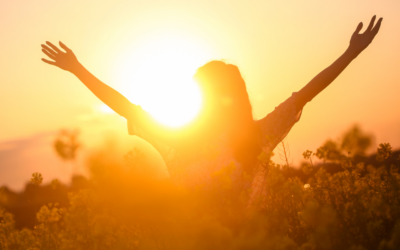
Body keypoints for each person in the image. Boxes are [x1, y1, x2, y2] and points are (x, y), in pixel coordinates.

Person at [41, 16, 382, 205]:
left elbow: (307, 93)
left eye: (209, 93)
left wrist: (350, 53)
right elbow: (124, 106)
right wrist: (78, 69)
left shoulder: (256, 136)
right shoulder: (179, 140)